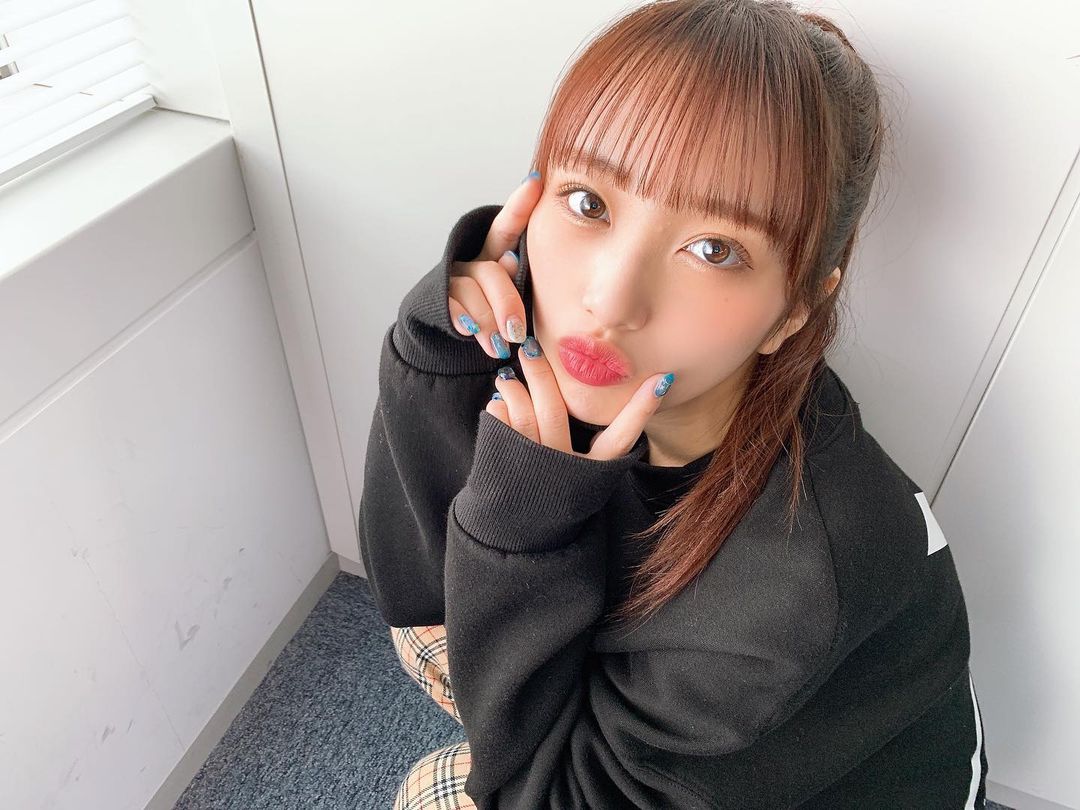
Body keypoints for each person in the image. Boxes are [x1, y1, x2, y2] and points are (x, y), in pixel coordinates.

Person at [358, 0, 990, 807]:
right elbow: (419, 590)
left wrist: (520, 534)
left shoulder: (793, 580)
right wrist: (441, 353)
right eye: (588, 203)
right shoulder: (628, 363)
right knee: (434, 637)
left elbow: (550, 800)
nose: (609, 299)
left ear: (795, 307)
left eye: (714, 250)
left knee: (430, 794)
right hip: (667, 703)